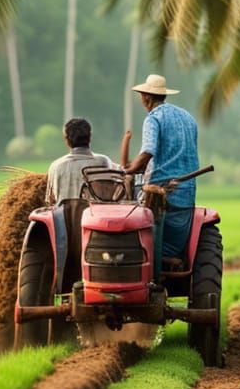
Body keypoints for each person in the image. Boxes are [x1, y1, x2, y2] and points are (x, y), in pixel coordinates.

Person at [122, 74, 200, 264]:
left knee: (133, 236)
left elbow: (148, 151)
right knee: (173, 243)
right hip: (187, 193)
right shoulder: (188, 117)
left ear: (146, 97)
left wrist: (129, 170)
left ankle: (150, 266)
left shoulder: (153, 119)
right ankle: (169, 259)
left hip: (159, 195)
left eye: (142, 96)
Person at [45, 118, 114, 204]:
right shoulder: (103, 162)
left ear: (66, 139)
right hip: (95, 216)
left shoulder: (55, 166)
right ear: (90, 137)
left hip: (65, 216)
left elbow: (51, 201)